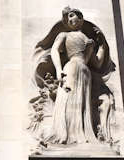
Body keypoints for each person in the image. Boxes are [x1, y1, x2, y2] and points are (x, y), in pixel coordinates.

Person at [33, 7, 114, 144]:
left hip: (85, 72)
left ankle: (82, 135)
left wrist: (101, 46)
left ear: (81, 18)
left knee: (82, 104)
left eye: (71, 16)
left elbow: (98, 64)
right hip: (71, 68)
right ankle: (64, 135)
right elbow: (54, 50)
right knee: (68, 99)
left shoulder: (88, 40)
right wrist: (58, 69)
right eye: (67, 18)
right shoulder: (64, 35)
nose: (69, 20)